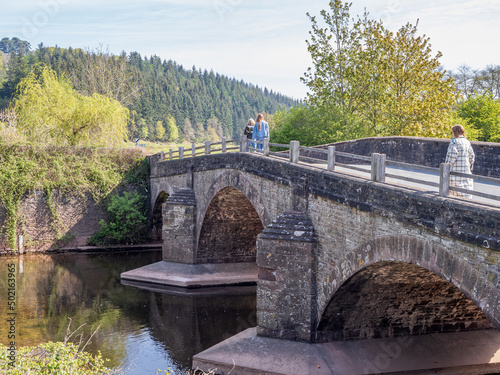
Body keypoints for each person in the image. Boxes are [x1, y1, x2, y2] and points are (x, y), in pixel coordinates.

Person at [445, 124, 475, 198]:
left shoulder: (454, 141)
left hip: (455, 168)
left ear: (454, 132)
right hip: (465, 169)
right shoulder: (467, 142)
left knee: (453, 188)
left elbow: (452, 155)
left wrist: (447, 166)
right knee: (465, 186)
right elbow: (472, 156)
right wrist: (469, 166)